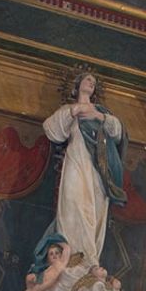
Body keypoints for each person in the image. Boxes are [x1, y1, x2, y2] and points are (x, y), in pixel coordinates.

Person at [41, 69, 126, 275]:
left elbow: (118, 132)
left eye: (93, 81)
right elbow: (52, 130)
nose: (91, 82)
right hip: (75, 162)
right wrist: (73, 111)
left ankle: (90, 260)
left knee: (94, 210)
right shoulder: (69, 110)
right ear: (77, 84)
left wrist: (98, 116)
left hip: (97, 169)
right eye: (87, 79)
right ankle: (69, 259)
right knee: (73, 203)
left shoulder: (101, 112)